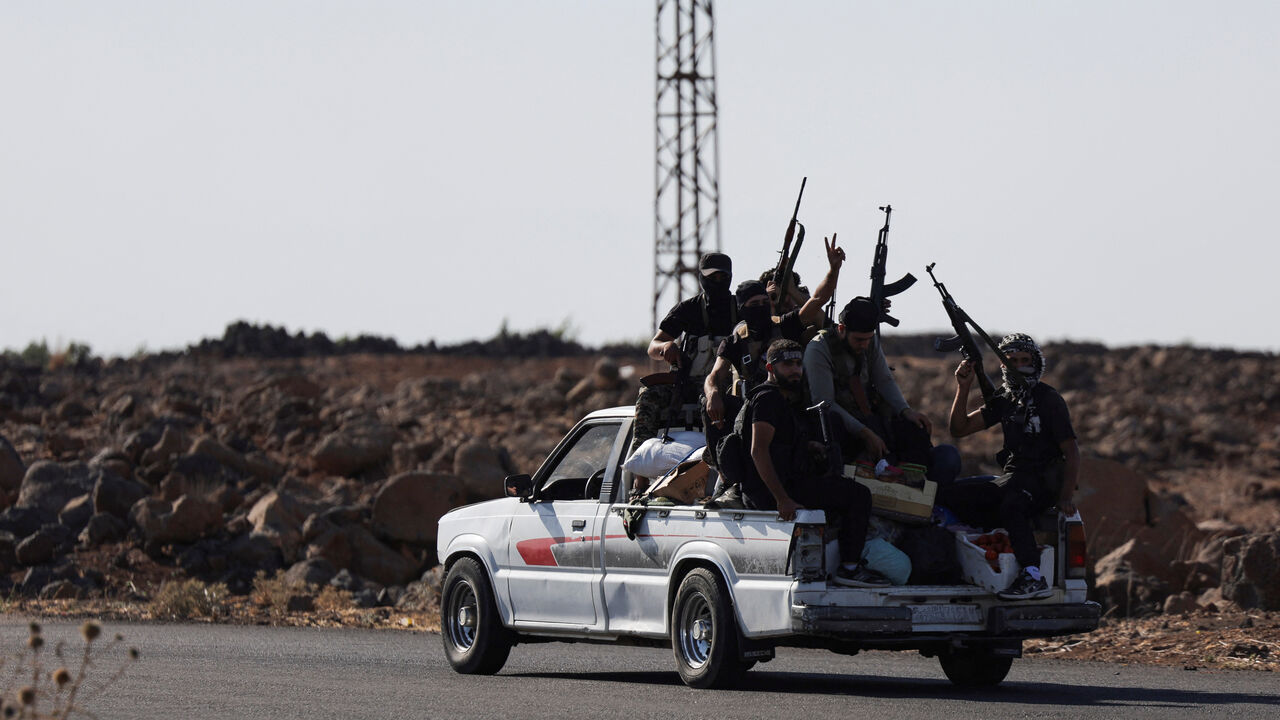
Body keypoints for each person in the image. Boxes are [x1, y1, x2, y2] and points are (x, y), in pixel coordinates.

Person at [738, 339, 889, 587]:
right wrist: (782, 499)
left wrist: (808, 447)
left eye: (798, 364)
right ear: (770, 368)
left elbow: (778, 443)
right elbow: (758, 451)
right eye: (787, 364)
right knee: (858, 495)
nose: (795, 370)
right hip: (773, 490)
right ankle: (850, 568)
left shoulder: (781, 400)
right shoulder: (768, 400)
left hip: (786, 482)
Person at [946, 333, 1080, 601]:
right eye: (1013, 361)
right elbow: (959, 429)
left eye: (1025, 360)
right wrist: (964, 387)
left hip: (1042, 483)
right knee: (951, 494)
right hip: (1013, 478)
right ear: (1004, 365)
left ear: (1036, 362)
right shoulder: (1006, 398)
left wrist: (1065, 497)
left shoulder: (1048, 399)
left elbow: (1072, 451)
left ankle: (1032, 574)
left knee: (1012, 503)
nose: (1020, 366)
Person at [804, 297, 957, 482]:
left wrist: (906, 410)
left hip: (870, 418)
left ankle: (910, 482)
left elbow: (884, 379)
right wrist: (865, 433)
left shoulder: (869, 341)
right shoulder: (818, 348)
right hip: (842, 426)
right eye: (859, 340)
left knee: (915, 428)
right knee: (831, 423)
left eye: (868, 339)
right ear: (842, 329)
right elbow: (824, 404)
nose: (865, 345)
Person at [703, 234, 845, 431]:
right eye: (755, 304)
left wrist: (833, 270)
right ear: (743, 309)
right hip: (751, 413)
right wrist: (712, 395)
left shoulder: (785, 325)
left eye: (764, 302)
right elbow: (714, 376)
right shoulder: (735, 341)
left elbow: (818, 300)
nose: (761, 307)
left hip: (788, 407)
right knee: (708, 405)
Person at [631, 252, 738, 455]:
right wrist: (665, 347)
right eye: (711, 277)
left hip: (728, 386)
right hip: (688, 384)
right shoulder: (689, 309)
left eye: (721, 277)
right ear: (701, 278)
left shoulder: (739, 307)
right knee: (648, 396)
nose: (717, 282)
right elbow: (653, 346)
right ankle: (640, 474)